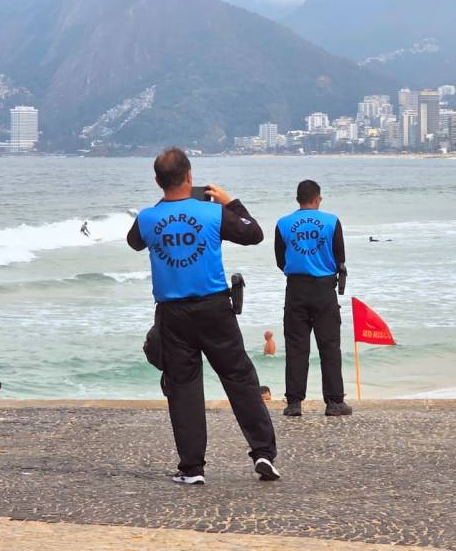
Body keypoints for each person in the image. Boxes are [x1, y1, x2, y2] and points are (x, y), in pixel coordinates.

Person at [127, 147, 278, 485]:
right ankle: (263, 453)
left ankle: (193, 469)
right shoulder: (212, 213)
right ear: (191, 177)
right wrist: (229, 202)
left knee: (183, 388)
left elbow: (134, 242)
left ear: (157, 181)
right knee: (239, 378)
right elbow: (253, 234)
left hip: (172, 313)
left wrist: (161, 216)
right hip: (214, 309)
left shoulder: (147, 218)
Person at [275, 179, 352, 417]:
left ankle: (294, 403)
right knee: (329, 346)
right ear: (317, 198)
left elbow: (280, 260)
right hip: (323, 289)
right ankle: (334, 402)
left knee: (296, 347)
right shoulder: (331, 221)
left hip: (296, 289)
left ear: (298, 199)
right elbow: (340, 256)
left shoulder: (283, 223)